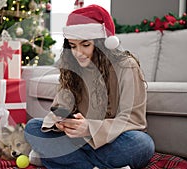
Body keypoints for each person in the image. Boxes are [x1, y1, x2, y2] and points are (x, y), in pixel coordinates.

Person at [24, 4, 155, 169]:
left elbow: (133, 119)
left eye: (85, 45)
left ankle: (56, 159)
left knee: (142, 144)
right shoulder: (71, 67)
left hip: (111, 141)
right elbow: (59, 108)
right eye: (73, 46)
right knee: (33, 128)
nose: (78, 52)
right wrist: (60, 121)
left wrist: (90, 128)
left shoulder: (126, 66)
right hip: (76, 140)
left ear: (103, 43)